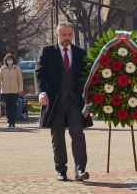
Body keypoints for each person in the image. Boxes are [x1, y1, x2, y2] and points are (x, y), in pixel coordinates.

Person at [35, 21, 93, 181]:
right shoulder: (47, 52)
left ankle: (80, 170)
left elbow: (88, 75)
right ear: (57, 35)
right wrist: (41, 92)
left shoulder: (80, 53)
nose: (67, 38)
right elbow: (39, 73)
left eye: (69, 35)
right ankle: (61, 170)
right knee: (57, 136)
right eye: (63, 35)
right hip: (55, 101)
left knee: (78, 134)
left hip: (75, 101)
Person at [0, 53, 23, 127]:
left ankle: (13, 121)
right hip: (5, 91)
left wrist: (20, 89)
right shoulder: (3, 68)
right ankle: (9, 121)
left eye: (11, 59)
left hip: (15, 90)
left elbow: (20, 79)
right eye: (8, 59)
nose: (10, 61)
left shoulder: (17, 68)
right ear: (6, 60)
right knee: (7, 106)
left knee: (14, 106)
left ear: (13, 60)